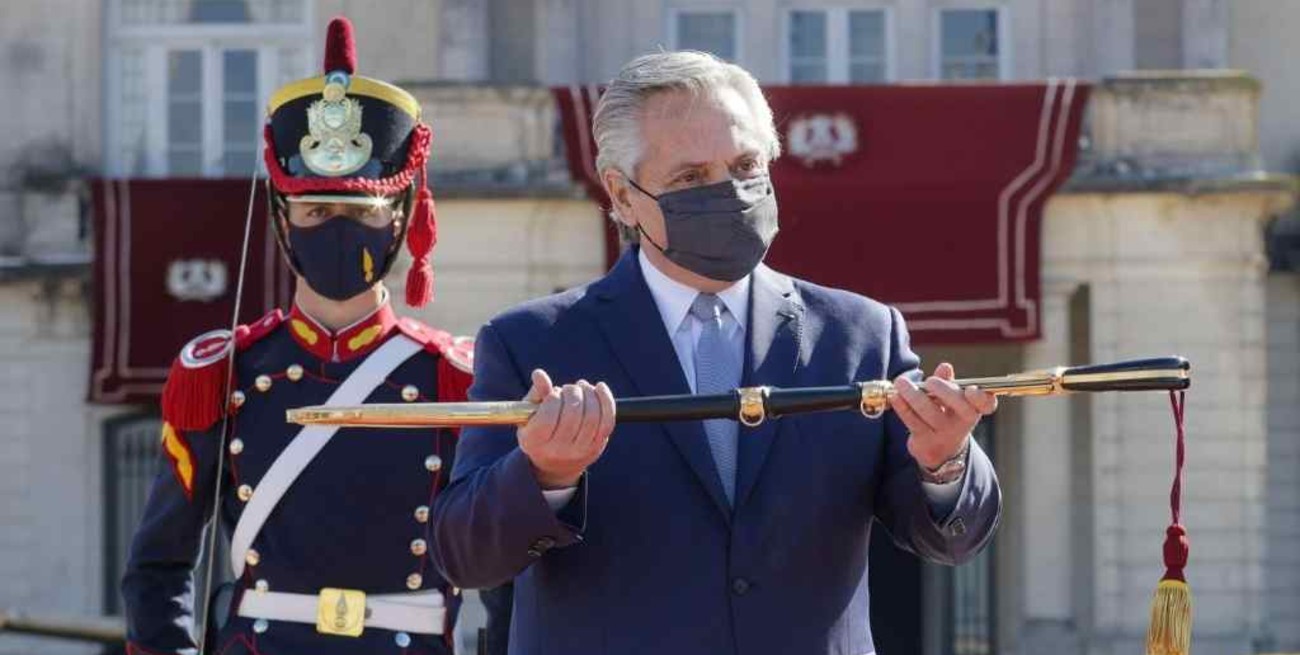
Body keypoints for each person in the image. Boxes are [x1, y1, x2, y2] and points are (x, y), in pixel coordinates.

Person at [431, 51, 1003, 655]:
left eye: (745, 165)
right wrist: (542, 475)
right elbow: (465, 555)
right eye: (690, 178)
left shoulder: (859, 333)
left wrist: (945, 463)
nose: (726, 192)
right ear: (623, 196)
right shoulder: (534, 343)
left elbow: (951, 539)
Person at [121, 17, 477, 655]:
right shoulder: (221, 374)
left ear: (400, 221)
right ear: (283, 223)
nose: (335, 229)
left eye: (359, 213)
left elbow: (505, 576)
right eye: (315, 211)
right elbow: (159, 566)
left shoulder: (455, 377)